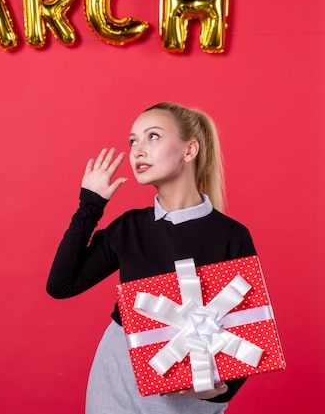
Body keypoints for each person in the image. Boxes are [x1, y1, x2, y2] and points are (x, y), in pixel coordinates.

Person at [46, 102, 257, 414]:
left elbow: (247, 328)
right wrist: (89, 206)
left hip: (190, 377)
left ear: (190, 150)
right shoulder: (129, 227)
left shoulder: (230, 235)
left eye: (153, 136)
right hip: (117, 368)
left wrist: (221, 389)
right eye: (133, 141)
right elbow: (61, 285)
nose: (137, 151)